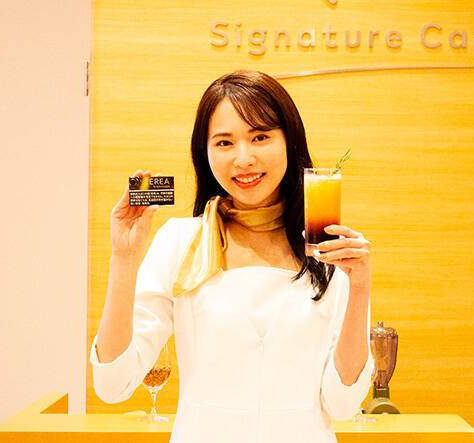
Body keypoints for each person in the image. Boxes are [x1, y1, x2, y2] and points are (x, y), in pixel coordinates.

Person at [90, 70, 373, 442]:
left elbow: (344, 404)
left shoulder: (327, 248)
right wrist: (124, 260)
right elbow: (113, 384)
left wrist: (360, 288)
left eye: (260, 137)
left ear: (289, 141)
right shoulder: (180, 241)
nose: (244, 158)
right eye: (224, 142)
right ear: (205, 152)